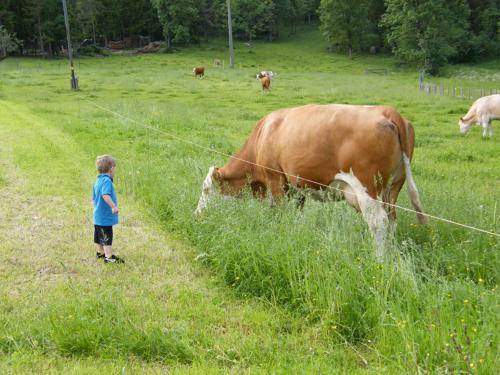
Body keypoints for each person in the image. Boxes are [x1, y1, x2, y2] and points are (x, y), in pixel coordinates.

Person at [92, 155, 124, 263]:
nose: (115, 170)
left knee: (98, 235)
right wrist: (113, 206)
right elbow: (105, 195)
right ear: (111, 168)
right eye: (115, 168)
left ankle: (100, 252)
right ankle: (109, 257)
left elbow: (93, 198)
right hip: (104, 216)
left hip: (97, 215)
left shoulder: (97, 181)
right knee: (106, 236)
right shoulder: (107, 181)